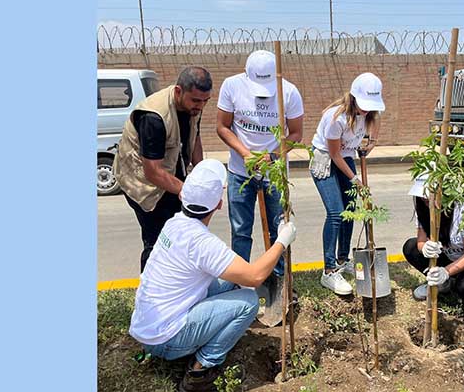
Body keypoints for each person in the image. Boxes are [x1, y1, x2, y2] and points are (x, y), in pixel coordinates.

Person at [129, 159, 298, 392]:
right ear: (219, 204)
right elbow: (256, 276)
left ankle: (202, 335)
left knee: (231, 280)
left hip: (147, 327)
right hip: (165, 340)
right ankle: (201, 370)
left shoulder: (173, 224)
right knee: (248, 300)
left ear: (182, 197)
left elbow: (236, 272)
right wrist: (282, 241)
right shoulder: (202, 244)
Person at [216, 50, 304, 277]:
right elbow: (222, 127)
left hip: (274, 174)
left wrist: (273, 155)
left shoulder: (290, 92)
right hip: (239, 172)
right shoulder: (232, 86)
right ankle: (240, 278)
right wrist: (245, 153)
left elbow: (295, 133)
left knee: (278, 231)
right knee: (240, 230)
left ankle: (278, 279)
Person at [114, 66, 212, 272]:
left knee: (178, 237)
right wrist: (189, 191)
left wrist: (202, 173)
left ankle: (174, 286)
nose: (200, 106)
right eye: (196, 100)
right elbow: (153, 172)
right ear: (178, 91)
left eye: (205, 101)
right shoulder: (154, 117)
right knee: (158, 242)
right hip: (142, 183)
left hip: (169, 175)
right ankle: (150, 297)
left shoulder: (193, 107)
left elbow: (195, 138)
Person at [309, 73, 384, 295]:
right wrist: (355, 179)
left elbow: (373, 127)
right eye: (364, 105)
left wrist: (371, 143)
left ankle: (343, 259)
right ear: (353, 97)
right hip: (326, 159)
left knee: (350, 211)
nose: (367, 110)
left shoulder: (369, 114)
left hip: (346, 157)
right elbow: (334, 154)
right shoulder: (336, 118)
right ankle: (329, 270)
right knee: (336, 213)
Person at [401, 175, 464, 326]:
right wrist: (424, 248)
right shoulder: (425, 209)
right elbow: (420, 241)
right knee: (410, 248)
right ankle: (444, 285)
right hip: (451, 258)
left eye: (430, 196)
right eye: (423, 197)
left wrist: (445, 272)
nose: (426, 200)